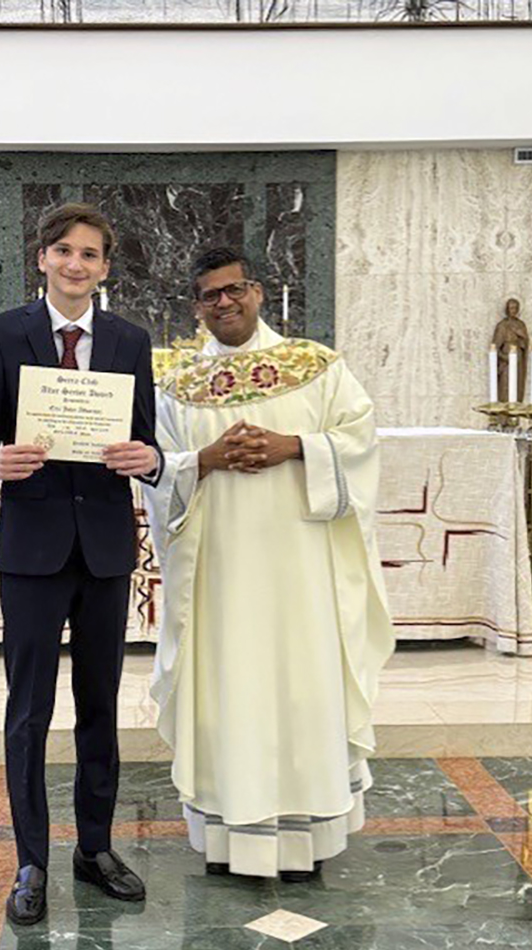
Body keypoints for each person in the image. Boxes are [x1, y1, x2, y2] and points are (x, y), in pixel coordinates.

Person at [143, 247, 394, 881]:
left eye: (234, 290)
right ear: (196, 307)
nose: (224, 303)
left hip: (301, 570)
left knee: (299, 684)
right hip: (219, 575)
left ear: (258, 291)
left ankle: (307, 834)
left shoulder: (315, 366)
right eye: (209, 295)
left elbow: (360, 440)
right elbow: (155, 469)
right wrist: (206, 459)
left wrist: (296, 447)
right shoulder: (174, 386)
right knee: (228, 688)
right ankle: (230, 837)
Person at [0, 203, 161, 924]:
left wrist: (154, 458)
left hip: (104, 549)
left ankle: (95, 848)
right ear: (42, 258)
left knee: (100, 707)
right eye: (63, 251)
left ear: (106, 267)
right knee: (29, 711)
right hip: (33, 551)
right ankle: (32, 861)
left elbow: (145, 440)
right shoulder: (3, 334)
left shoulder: (132, 342)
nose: (77, 265)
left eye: (91, 254)